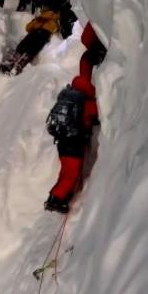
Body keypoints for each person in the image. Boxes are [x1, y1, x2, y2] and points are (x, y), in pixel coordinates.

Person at [0, 0, 77, 74]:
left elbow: (59, 12)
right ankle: (18, 58)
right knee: (32, 40)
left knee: (33, 41)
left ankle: (18, 58)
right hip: (43, 25)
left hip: (46, 26)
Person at [44, 72, 99, 212]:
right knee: (72, 173)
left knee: (66, 171)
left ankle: (54, 197)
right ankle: (57, 200)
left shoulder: (66, 96)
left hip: (62, 140)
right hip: (74, 142)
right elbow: (95, 116)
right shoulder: (85, 101)